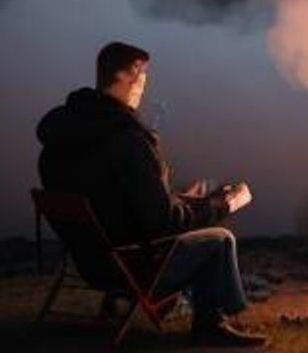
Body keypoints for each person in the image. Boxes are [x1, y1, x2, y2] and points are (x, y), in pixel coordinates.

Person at [36, 41, 267, 348]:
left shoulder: (60, 140)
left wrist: (176, 198)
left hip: (89, 262)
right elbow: (163, 223)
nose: (143, 86)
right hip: (132, 265)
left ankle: (114, 304)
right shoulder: (127, 140)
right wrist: (222, 204)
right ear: (128, 76)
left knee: (192, 224)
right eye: (143, 76)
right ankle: (212, 325)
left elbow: (113, 202)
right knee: (220, 240)